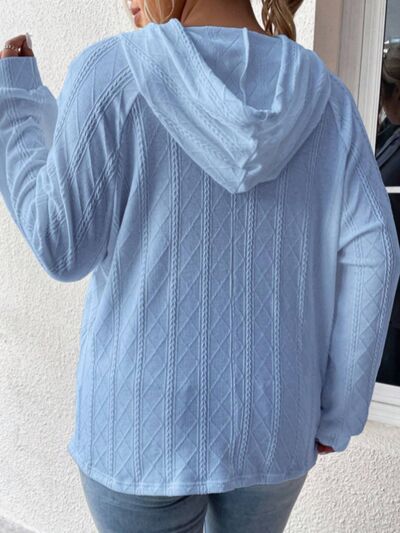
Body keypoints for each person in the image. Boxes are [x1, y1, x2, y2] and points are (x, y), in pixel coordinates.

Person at [0, 0, 399, 532]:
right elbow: (376, 253)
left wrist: (15, 106)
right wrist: (339, 412)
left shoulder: (112, 75)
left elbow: (62, 245)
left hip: (139, 431)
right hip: (275, 422)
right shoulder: (326, 99)